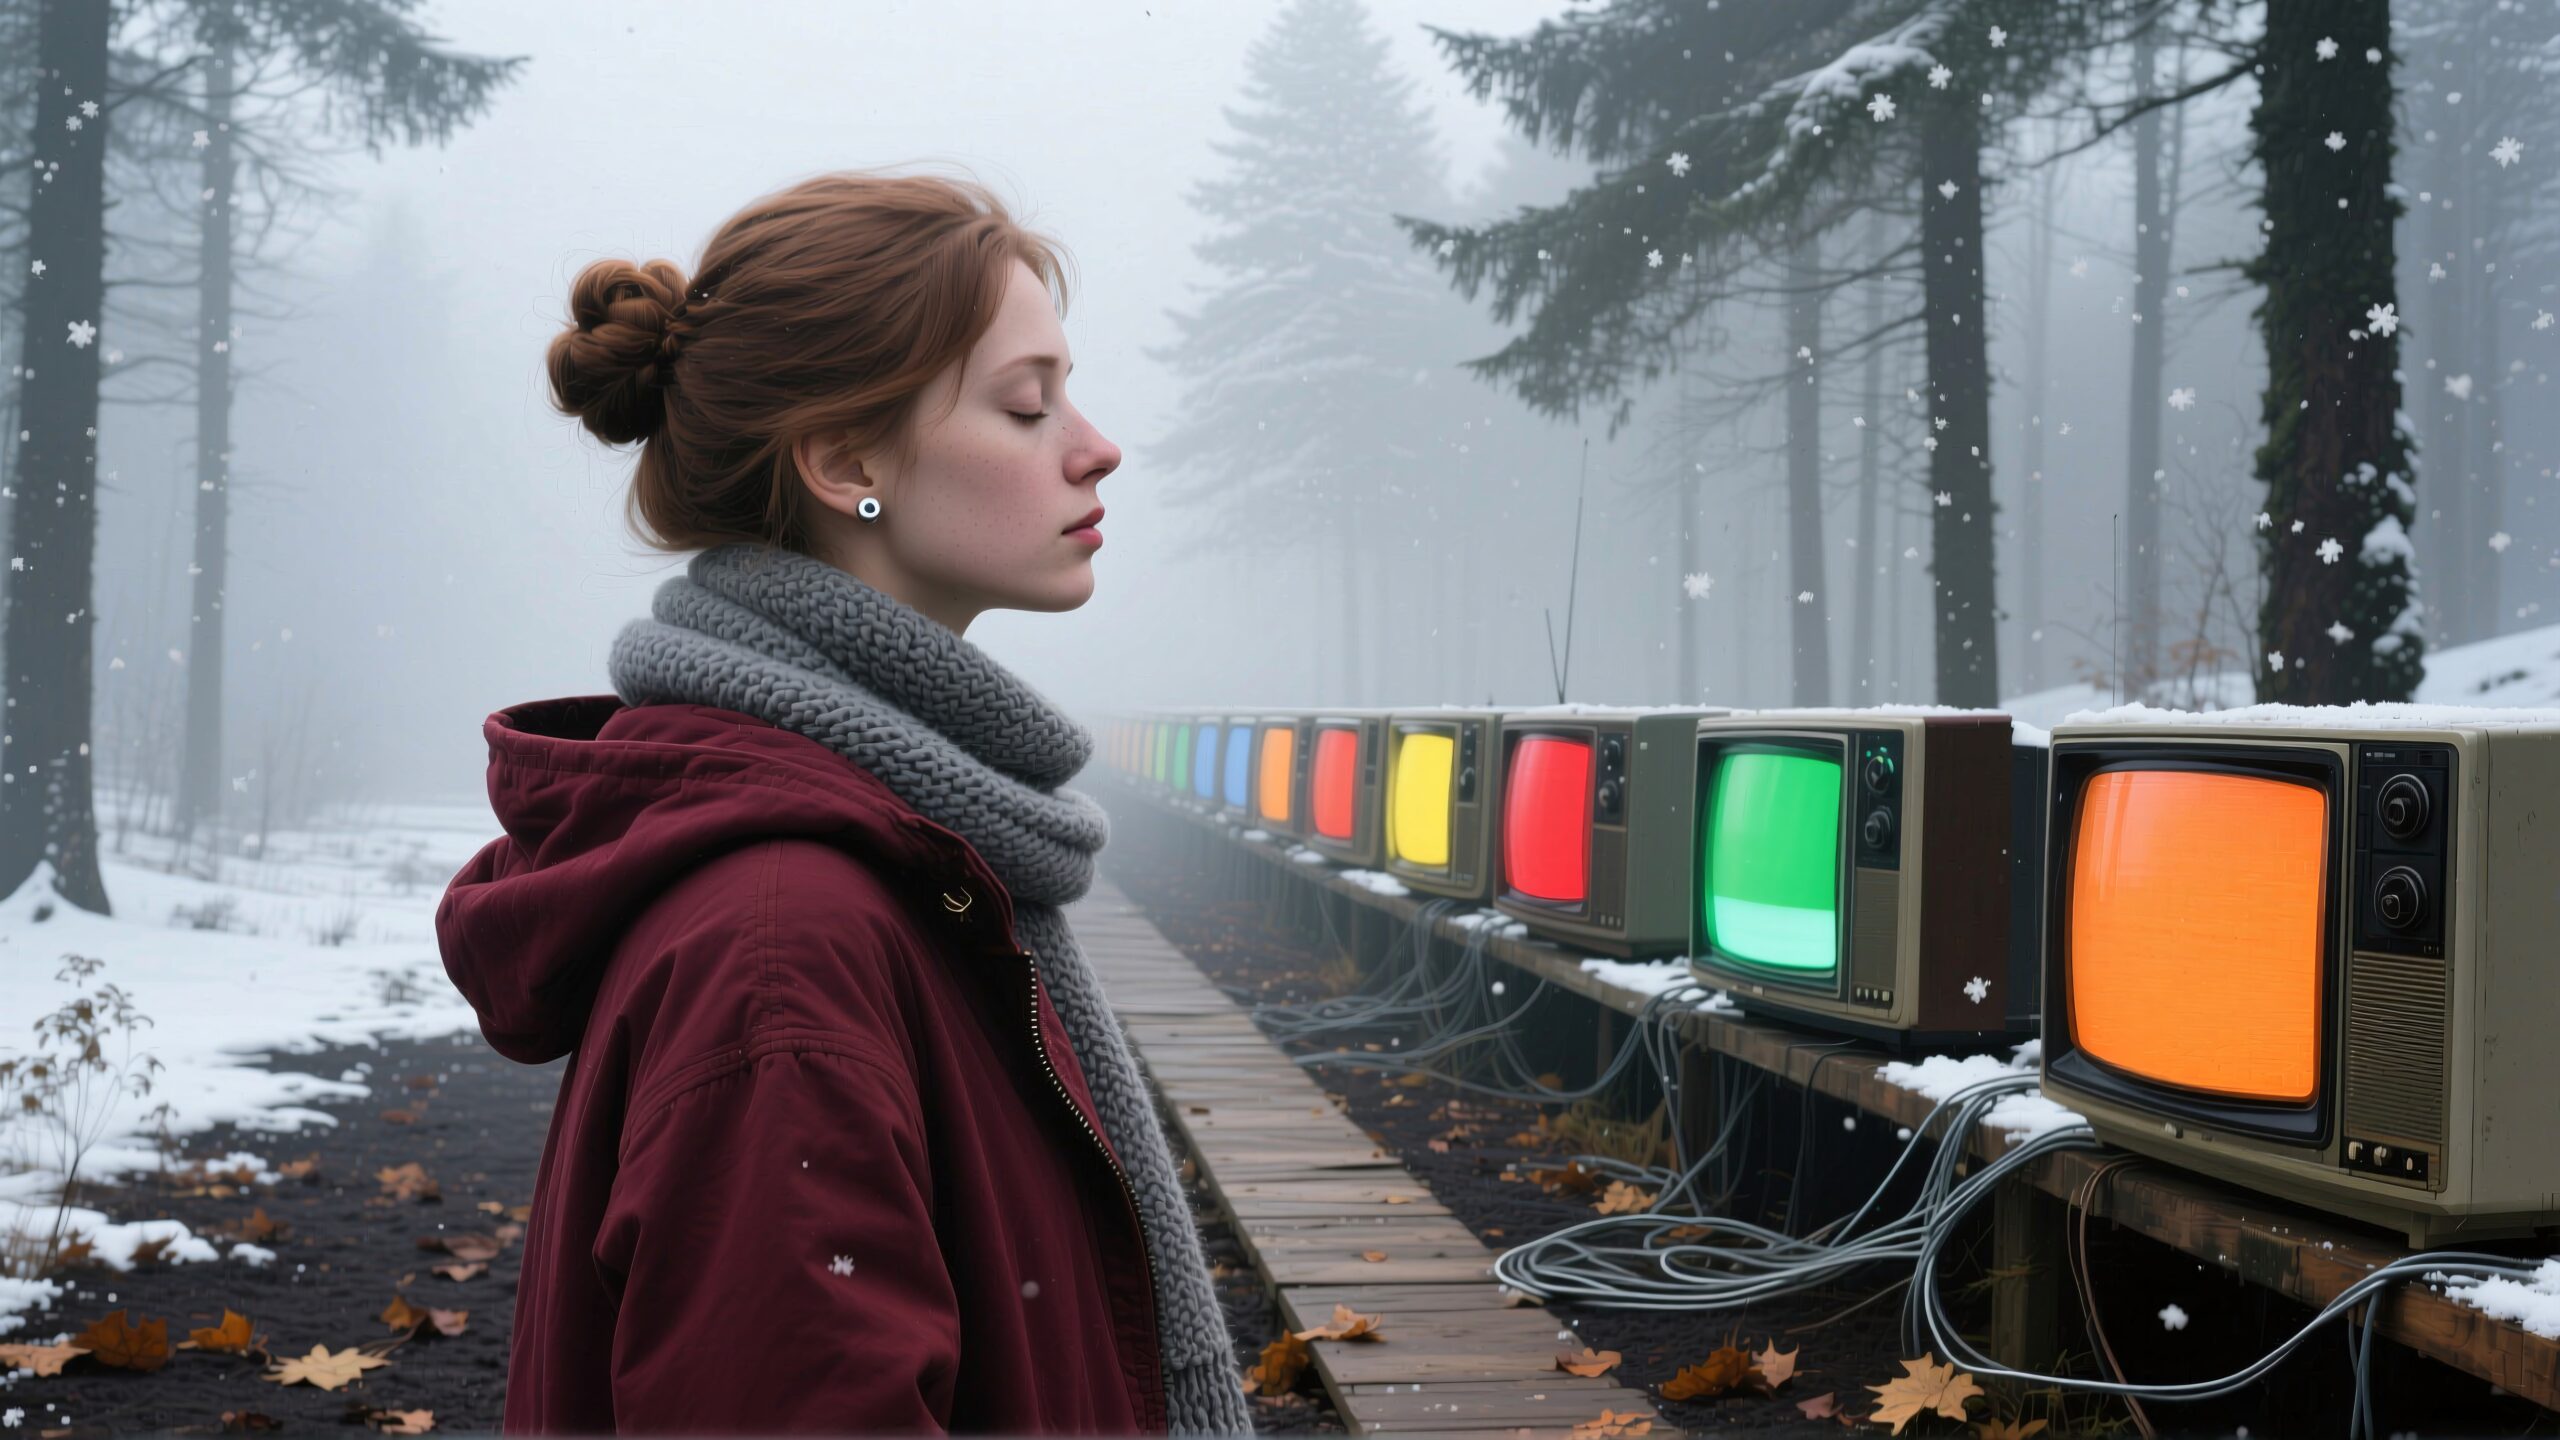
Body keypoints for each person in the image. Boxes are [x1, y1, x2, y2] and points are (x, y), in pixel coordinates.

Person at [434, 168, 1253, 1437]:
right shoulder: (788, 942)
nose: (1095, 445)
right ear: (841, 460)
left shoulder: (895, 856)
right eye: (1027, 405)